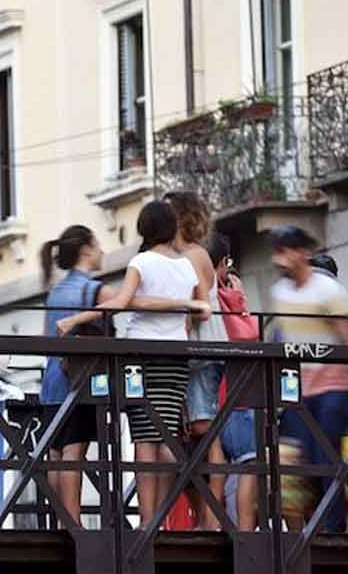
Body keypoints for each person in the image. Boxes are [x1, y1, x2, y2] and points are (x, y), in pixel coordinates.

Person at [44, 224, 207, 526]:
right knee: (74, 451)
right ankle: (76, 527)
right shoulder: (95, 289)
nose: (104, 251)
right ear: (86, 250)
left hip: (51, 378)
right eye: (98, 245)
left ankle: (63, 523)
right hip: (82, 378)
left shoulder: (54, 290)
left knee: (55, 453)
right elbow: (122, 303)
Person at [270, 226, 348, 534]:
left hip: (334, 385)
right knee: (298, 454)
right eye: (276, 251)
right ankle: (316, 526)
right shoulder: (280, 293)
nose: (279, 259)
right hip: (302, 386)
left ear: (301, 253)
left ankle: (331, 526)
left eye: (284, 251)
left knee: (324, 452)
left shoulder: (328, 291)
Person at [164, 191, 229, 530]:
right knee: (195, 433)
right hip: (198, 352)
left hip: (202, 352)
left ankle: (211, 520)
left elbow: (199, 307)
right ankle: (204, 517)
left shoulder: (193, 255)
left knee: (205, 431)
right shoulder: (187, 255)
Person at [209, 233, 259, 531]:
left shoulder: (203, 293)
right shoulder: (224, 296)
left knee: (217, 472)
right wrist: (242, 301)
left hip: (216, 399)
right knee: (250, 466)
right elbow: (248, 334)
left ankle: (213, 529)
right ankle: (245, 535)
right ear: (221, 263)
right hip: (238, 397)